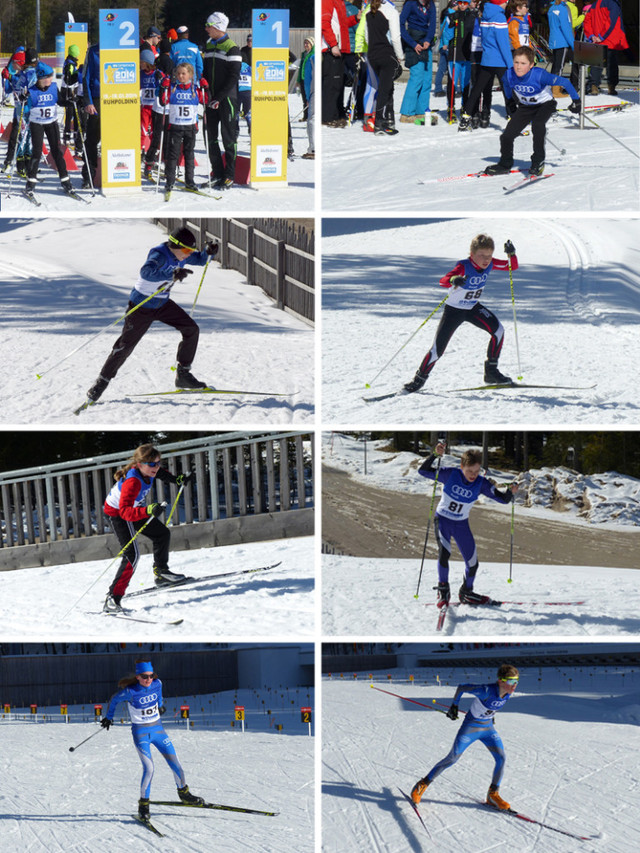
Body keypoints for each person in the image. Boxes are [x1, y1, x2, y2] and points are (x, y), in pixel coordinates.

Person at [85, 226, 218, 404]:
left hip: (162, 303)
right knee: (125, 346)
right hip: (141, 306)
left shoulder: (182, 254)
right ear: (174, 246)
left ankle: (183, 375)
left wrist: (208, 252)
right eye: (187, 250)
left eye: (190, 250)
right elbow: (146, 272)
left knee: (191, 329)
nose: (188, 254)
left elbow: (201, 260)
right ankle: (101, 383)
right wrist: (171, 273)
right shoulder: (159, 254)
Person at [403, 233, 519, 392]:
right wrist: (454, 279)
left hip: (472, 308)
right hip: (454, 311)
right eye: (482, 255)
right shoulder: (464, 265)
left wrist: (511, 254)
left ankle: (491, 372)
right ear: (472, 254)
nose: (486, 259)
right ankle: (418, 380)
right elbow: (443, 281)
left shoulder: (490, 264)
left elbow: (511, 267)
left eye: (489, 255)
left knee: (498, 331)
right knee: (438, 350)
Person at [101, 658, 204, 821]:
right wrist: (109, 717)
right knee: (149, 768)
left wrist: (161, 704)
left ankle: (184, 793)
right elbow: (114, 699)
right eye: (144, 676)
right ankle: (143, 806)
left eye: (151, 676)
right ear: (137, 677)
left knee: (176, 763)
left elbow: (159, 695)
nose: (149, 679)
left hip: (158, 730)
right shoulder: (130, 692)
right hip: (141, 733)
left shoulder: (158, 683)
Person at [416, 441, 518, 605]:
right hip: (443, 520)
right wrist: (435, 455)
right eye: (470, 471)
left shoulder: (481, 483)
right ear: (462, 467)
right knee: (444, 554)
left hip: (461, 525)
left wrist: (510, 491)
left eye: (477, 471)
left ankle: (466, 593)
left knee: (472, 564)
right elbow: (423, 471)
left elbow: (503, 499)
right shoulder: (451, 474)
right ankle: (443, 590)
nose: (473, 474)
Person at [410, 664, 520, 809]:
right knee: (452, 758)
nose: (514, 686)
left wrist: (490, 716)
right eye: (511, 682)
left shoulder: (507, 693)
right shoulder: (485, 690)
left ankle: (492, 795)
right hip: (471, 728)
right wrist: (454, 705)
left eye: (516, 682)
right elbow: (462, 687)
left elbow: (490, 707)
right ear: (500, 681)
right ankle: (422, 785)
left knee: (501, 757)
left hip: (488, 728)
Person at [102, 444, 193, 611]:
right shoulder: (133, 482)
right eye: (152, 464)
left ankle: (161, 573)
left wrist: (176, 480)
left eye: (158, 463)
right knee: (132, 555)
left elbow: (161, 473)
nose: (156, 467)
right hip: (117, 514)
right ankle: (112, 598)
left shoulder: (149, 470)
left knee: (162, 534)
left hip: (132, 509)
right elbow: (124, 512)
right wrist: (148, 510)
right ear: (140, 464)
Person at [484, 45, 580, 176]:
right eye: (516, 62)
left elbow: (565, 82)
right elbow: (506, 85)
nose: (518, 66)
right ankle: (505, 164)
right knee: (506, 136)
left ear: (531, 65)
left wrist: (576, 101)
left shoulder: (540, 75)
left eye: (523, 63)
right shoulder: (509, 74)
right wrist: (510, 101)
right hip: (525, 107)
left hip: (545, 104)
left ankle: (538, 161)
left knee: (538, 125)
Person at [458, 0, 512, 131]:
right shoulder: (499, 17)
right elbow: (503, 43)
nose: (507, 4)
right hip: (499, 61)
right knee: (508, 91)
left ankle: (465, 118)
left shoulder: (485, 15)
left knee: (476, 90)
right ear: (501, 3)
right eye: (506, 2)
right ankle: (514, 118)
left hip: (487, 59)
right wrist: (510, 64)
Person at [202, 12, 241, 190]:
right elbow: (205, 72)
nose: (206, 28)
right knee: (209, 137)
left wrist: (218, 97)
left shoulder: (232, 47)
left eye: (208, 25)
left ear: (218, 27)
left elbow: (233, 77)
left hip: (228, 99)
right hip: (211, 97)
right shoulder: (209, 45)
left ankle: (229, 175)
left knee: (228, 138)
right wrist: (206, 89)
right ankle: (217, 173)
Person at [25, 62, 75, 198]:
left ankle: (66, 182)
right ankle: (30, 184)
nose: (51, 79)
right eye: (48, 77)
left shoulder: (53, 87)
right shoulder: (32, 91)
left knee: (56, 152)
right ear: (40, 78)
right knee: (36, 152)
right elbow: (25, 108)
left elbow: (60, 101)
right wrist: (24, 100)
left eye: (52, 77)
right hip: (37, 124)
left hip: (51, 123)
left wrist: (70, 102)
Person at [360, 0, 404, 136]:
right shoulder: (391, 11)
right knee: (385, 88)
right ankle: (380, 121)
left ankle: (387, 118)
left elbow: (366, 37)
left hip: (372, 54)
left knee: (386, 85)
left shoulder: (367, 11)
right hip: (386, 53)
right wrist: (400, 56)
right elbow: (396, 37)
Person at [160, 61, 204, 195]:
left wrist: (206, 88)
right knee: (173, 155)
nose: (181, 76)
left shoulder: (195, 89)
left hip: (190, 127)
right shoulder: (172, 88)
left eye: (184, 74)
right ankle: (170, 181)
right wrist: (163, 87)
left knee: (189, 154)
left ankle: (190, 180)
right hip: (175, 127)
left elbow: (205, 100)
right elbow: (163, 101)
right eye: (178, 73)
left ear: (190, 75)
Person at [322, 0, 360, 127]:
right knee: (331, 85)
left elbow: (343, 24)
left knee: (338, 84)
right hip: (331, 49)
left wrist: (355, 18)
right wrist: (333, 44)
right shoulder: (328, 2)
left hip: (341, 49)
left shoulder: (340, 3)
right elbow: (324, 23)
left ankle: (337, 114)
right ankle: (328, 117)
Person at [399, 0, 436, 124]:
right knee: (417, 78)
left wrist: (428, 40)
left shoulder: (431, 5)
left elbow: (432, 25)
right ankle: (407, 112)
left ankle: (421, 111)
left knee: (427, 79)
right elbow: (400, 25)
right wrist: (412, 43)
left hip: (426, 43)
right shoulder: (411, 4)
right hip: (413, 42)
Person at [583, 0, 629, 96]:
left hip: (597, 39)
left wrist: (591, 35)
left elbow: (587, 20)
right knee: (612, 65)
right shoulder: (613, 4)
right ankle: (611, 87)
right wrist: (601, 36)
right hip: (610, 39)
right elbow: (611, 22)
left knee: (596, 65)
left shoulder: (595, 4)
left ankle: (594, 86)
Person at [442, 0, 475, 123]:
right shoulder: (451, 16)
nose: (462, 5)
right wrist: (451, 25)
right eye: (460, 2)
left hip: (467, 56)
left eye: (465, 3)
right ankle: (450, 109)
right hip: (454, 55)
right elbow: (446, 34)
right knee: (452, 83)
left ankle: (464, 107)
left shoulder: (472, 16)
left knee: (466, 84)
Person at [81, 42, 101, 189]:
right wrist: (88, 101)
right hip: (97, 99)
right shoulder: (93, 51)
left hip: (118, 99)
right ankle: (89, 173)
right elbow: (85, 77)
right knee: (92, 138)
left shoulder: (121, 48)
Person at [547, 0, 578, 91]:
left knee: (555, 65)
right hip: (562, 41)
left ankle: (552, 87)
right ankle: (555, 90)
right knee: (559, 66)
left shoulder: (551, 8)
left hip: (554, 39)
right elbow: (566, 28)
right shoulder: (563, 8)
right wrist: (573, 44)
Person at [60, 44, 81, 150]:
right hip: (69, 92)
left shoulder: (70, 62)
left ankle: (69, 137)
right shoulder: (70, 65)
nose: (78, 56)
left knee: (71, 115)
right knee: (70, 115)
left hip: (69, 91)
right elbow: (68, 80)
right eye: (77, 54)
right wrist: (77, 75)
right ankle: (67, 137)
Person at [297, 37, 315, 121]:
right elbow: (301, 68)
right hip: (303, 78)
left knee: (311, 98)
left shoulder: (313, 54)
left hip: (311, 79)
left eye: (307, 43)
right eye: (305, 43)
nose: (306, 45)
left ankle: (311, 116)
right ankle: (306, 116)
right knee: (305, 98)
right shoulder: (303, 54)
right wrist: (298, 80)